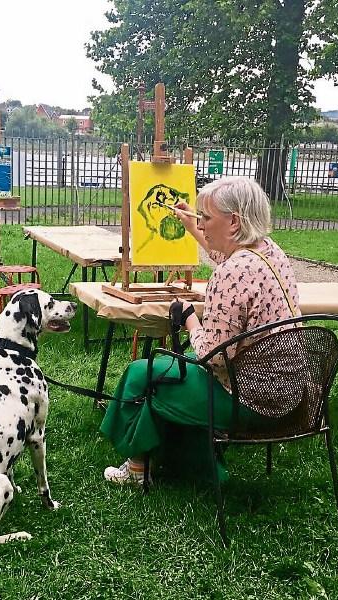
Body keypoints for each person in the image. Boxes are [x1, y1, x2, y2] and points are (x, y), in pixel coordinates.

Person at [100, 176, 301, 485]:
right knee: (166, 370)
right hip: (287, 392)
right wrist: (189, 222)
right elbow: (220, 250)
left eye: (205, 217)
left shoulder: (231, 273)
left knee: (143, 374)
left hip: (249, 402)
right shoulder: (269, 251)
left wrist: (190, 319)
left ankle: (140, 463)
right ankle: (154, 462)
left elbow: (213, 358)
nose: (201, 224)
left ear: (233, 221)